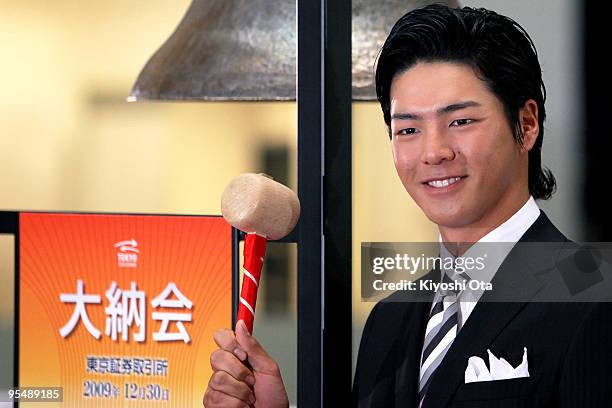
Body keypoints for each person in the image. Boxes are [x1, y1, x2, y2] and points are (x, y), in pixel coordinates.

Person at [203, 4, 612, 407]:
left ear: (526, 125)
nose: (434, 152)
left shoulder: (595, 293)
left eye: (461, 122)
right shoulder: (390, 318)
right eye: (409, 129)